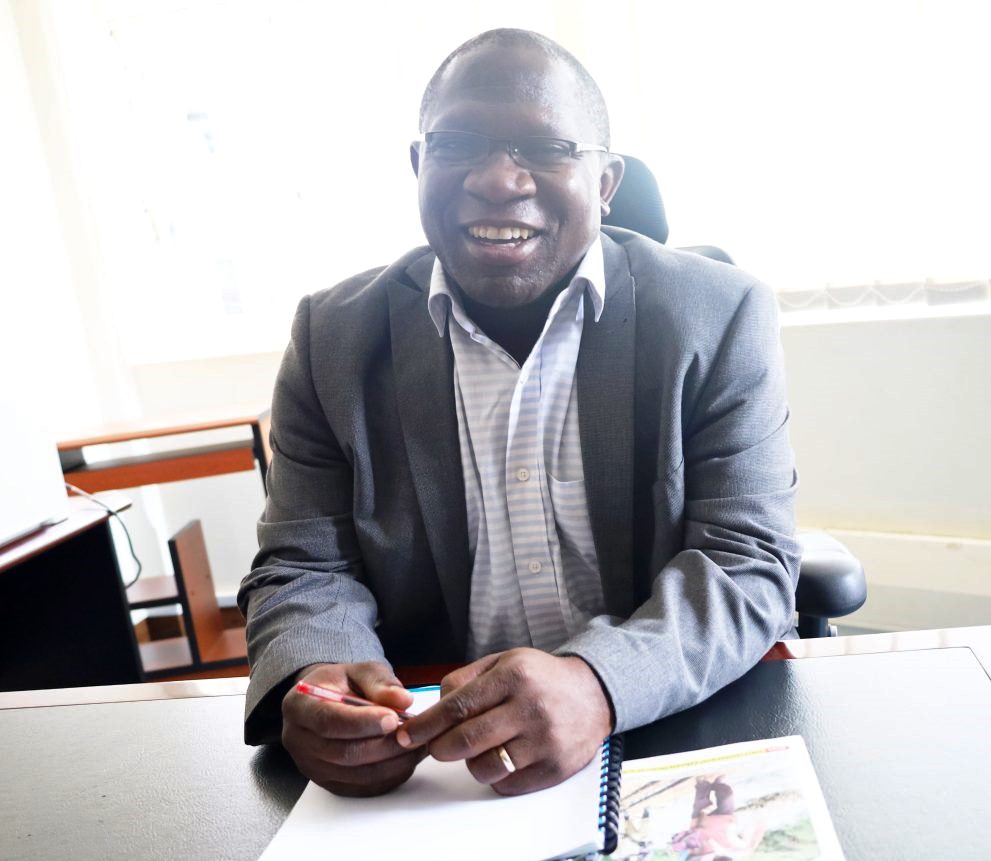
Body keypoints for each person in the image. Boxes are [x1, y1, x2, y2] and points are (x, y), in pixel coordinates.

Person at [239, 27, 799, 798]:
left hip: (670, 724)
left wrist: (598, 683)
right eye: (458, 144)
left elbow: (746, 562)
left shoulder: (718, 314)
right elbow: (302, 564)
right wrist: (314, 673)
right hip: (437, 762)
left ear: (605, 183)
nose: (498, 180)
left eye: (546, 149)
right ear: (417, 166)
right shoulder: (332, 338)